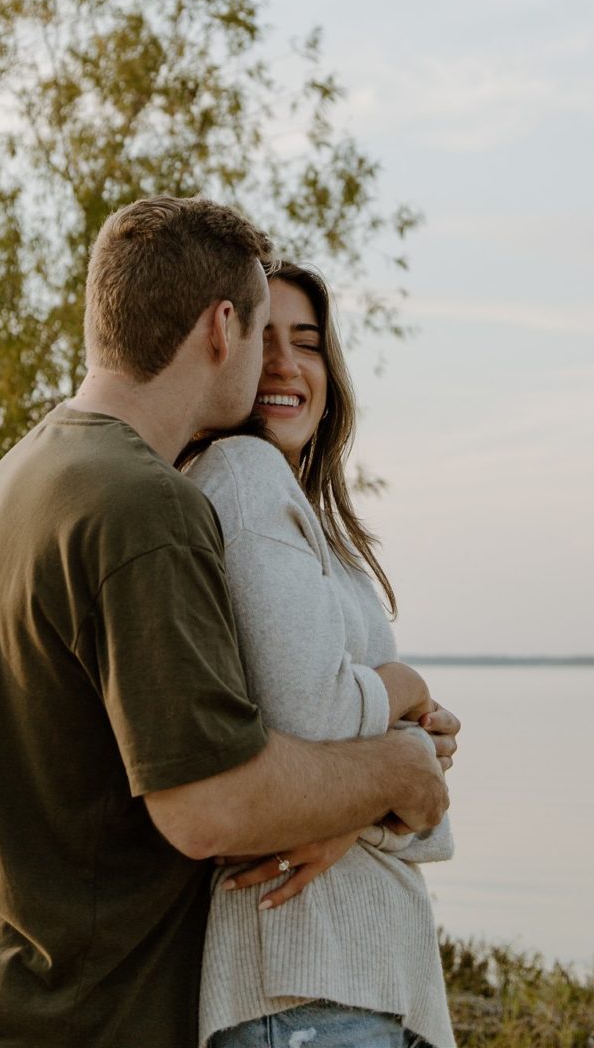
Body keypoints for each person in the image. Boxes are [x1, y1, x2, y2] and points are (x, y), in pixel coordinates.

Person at [0, 197, 449, 1048]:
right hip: (69, 1016)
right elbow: (212, 807)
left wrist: (350, 792)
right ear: (223, 326)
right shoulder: (143, 506)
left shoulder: (25, 475)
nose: (274, 360)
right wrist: (402, 772)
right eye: (264, 331)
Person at [183, 261, 459, 1048]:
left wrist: (380, 792)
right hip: (304, 980)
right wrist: (404, 689)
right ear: (220, 351)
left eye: (305, 343)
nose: (284, 364)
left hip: (345, 985)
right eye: (260, 338)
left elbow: (425, 815)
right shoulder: (242, 474)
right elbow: (307, 715)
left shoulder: (302, 515)